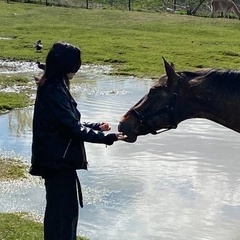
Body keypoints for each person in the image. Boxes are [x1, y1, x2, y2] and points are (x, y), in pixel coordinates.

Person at [29, 41, 126, 240]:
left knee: (65, 214)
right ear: (67, 65)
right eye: (75, 64)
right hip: (56, 162)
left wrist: (96, 126)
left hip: (58, 161)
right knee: (62, 216)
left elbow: (69, 122)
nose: (77, 69)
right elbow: (72, 128)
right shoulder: (54, 90)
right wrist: (106, 138)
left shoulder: (56, 86)